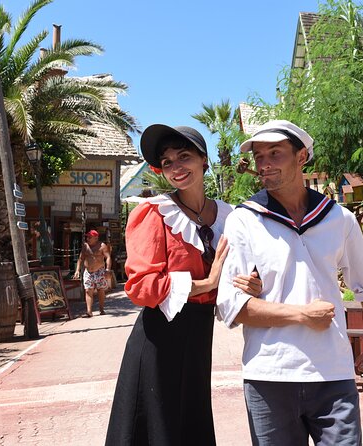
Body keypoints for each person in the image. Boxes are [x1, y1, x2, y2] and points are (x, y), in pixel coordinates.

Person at [217, 120, 363, 446]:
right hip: (269, 376)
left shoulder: (339, 219)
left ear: (302, 156)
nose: (264, 163)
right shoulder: (244, 220)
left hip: (333, 375)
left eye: (275, 153)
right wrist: (300, 316)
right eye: (259, 156)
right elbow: (231, 307)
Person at [105, 124, 262, 445]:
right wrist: (207, 283)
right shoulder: (153, 212)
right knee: (156, 427)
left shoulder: (230, 216)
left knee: (191, 421)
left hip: (200, 334)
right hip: (158, 337)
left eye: (184, 157)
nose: (176, 168)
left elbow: (239, 277)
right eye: (167, 162)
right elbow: (142, 286)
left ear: (204, 160)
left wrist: (251, 285)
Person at [73, 229, 112, 317]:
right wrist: (77, 270)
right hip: (88, 271)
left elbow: (108, 257)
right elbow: (81, 258)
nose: (88, 238)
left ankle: (101, 309)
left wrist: (108, 269)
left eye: (90, 237)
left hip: (99, 271)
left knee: (100, 289)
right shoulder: (85, 246)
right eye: (87, 237)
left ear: (96, 238)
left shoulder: (102, 246)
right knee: (88, 290)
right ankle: (89, 311)